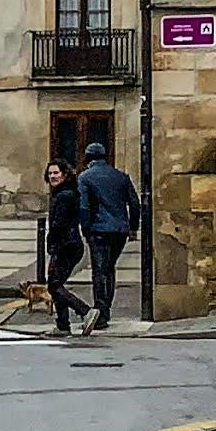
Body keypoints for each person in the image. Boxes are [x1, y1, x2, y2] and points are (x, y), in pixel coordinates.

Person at [75, 140, 141, 331]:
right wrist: (133, 227)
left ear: (88, 158)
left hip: (98, 229)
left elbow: (84, 207)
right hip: (120, 229)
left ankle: (101, 313)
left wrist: (85, 229)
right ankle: (106, 309)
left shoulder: (85, 177)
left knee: (99, 270)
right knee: (110, 268)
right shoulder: (121, 176)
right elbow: (135, 204)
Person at [39, 158, 85, 337]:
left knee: (54, 285)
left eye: (56, 173)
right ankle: (63, 325)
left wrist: (52, 242)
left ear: (65, 174)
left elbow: (60, 224)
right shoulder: (64, 193)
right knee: (56, 285)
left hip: (66, 245)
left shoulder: (64, 195)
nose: (52, 176)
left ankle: (85, 311)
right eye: (50, 173)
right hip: (69, 244)